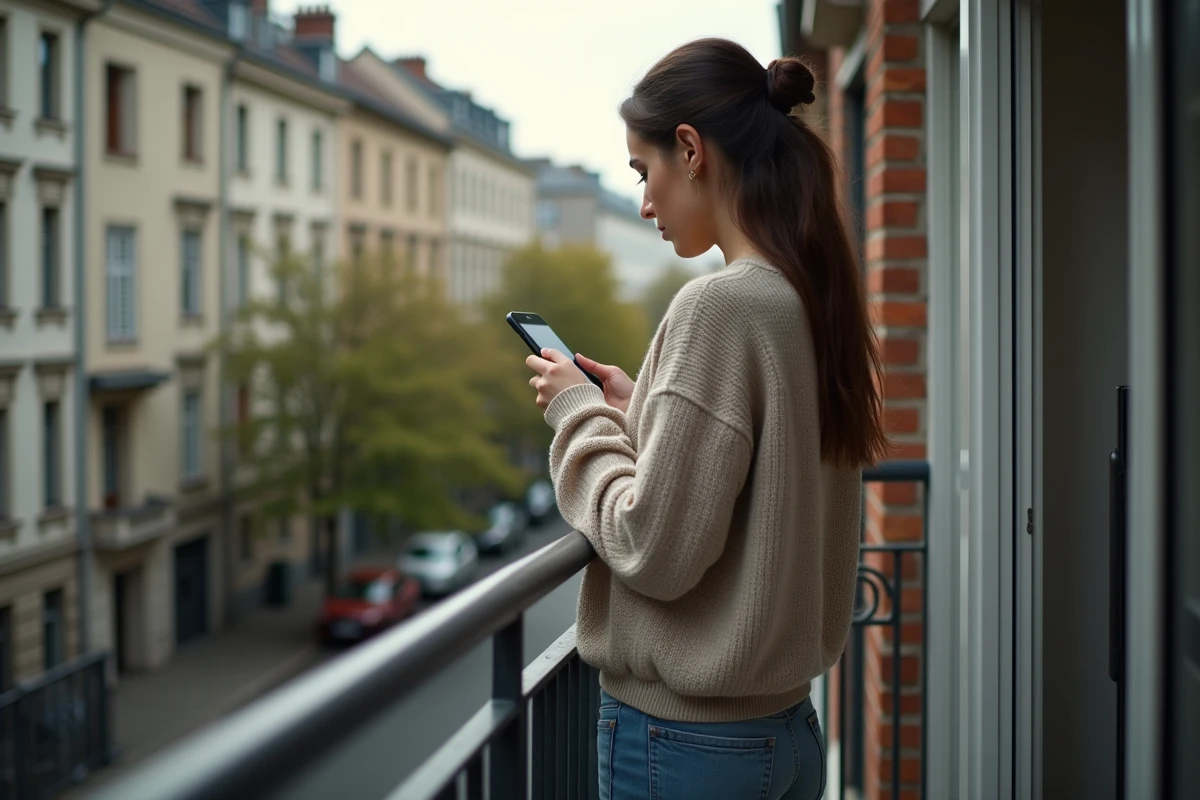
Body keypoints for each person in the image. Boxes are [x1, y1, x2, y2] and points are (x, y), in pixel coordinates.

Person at [524, 38, 887, 800]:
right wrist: (642, 404)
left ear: (689, 150)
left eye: (642, 172)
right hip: (785, 733)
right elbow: (754, 468)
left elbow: (650, 543)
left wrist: (577, 413)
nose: (646, 204)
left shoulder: (719, 305)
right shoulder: (804, 296)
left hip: (687, 746)